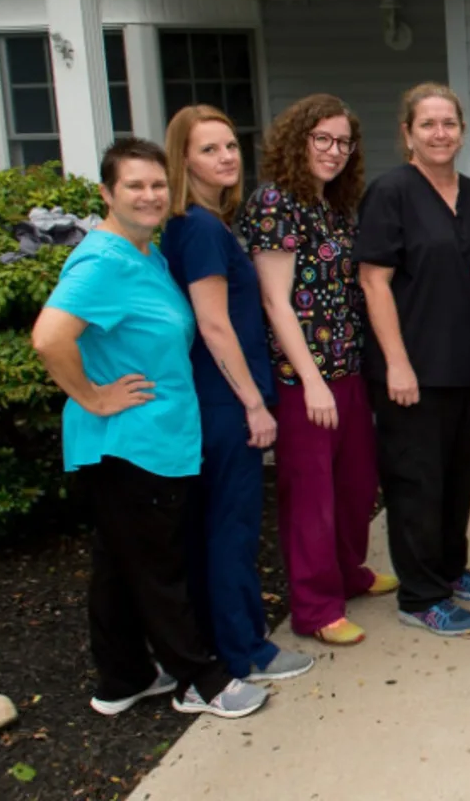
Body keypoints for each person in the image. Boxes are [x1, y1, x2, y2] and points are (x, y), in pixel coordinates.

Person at [32, 137, 268, 720]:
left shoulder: (147, 254)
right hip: (129, 445)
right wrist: (93, 396)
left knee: (120, 563)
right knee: (162, 567)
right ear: (107, 193)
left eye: (157, 184)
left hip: (154, 440)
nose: (149, 195)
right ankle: (201, 680)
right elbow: (48, 338)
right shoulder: (103, 261)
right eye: (134, 185)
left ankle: (122, 679)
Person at [159, 106, 314, 684]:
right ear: (184, 160)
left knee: (220, 529)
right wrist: (253, 402)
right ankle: (245, 650)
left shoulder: (205, 222)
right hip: (225, 402)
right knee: (232, 530)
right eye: (209, 149)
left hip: (218, 398)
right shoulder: (198, 227)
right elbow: (214, 324)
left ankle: (233, 642)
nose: (226, 156)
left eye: (230, 145)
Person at [242, 94, 396, 647]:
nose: (333, 152)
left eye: (343, 142)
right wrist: (310, 381)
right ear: (297, 140)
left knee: (356, 485)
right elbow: (276, 303)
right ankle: (315, 605)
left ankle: (349, 573)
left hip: (348, 367)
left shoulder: (332, 204)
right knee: (312, 497)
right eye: (322, 140)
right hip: (303, 378)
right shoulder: (275, 203)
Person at [356, 83, 470, 638]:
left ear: (462, 131)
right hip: (411, 370)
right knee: (415, 483)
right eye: (428, 125)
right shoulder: (391, 192)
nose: (440, 134)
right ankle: (420, 596)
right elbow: (374, 281)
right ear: (407, 133)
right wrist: (396, 362)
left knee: (458, 478)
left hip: (462, 365)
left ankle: (448, 568)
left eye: (449, 124)